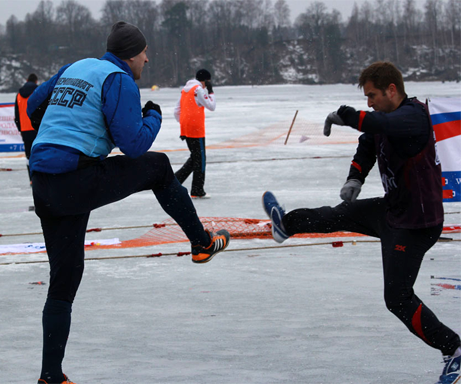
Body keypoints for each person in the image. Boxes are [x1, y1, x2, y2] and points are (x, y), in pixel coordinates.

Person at [27, 21, 230, 384]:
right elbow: (134, 145)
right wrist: (151, 115)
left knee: (65, 279)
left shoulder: (73, 67)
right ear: (132, 55)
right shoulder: (118, 79)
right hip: (76, 178)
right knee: (158, 165)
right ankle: (201, 243)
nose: (147, 60)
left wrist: (60, 134)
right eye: (144, 53)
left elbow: (34, 106)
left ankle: (50, 376)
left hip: (44, 183)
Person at [262, 62, 460, 383]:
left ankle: (453, 349)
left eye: (372, 95)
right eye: (365, 97)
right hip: (393, 209)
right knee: (337, 213)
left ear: (391, 91)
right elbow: (368, 142)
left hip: (415, 224)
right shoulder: (385, 121)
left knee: (397, 299)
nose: (369, 102)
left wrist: (347, 115)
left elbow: (375, 121)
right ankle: (287, 224)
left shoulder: (413, 117)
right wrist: (355, 176)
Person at [174, 69, 216, 199]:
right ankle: (197, 189)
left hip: (186, 128)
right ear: (205, 81)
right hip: (196, 129)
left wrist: (184, 122)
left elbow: (177, 110)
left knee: (195, 158)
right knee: (200, 159)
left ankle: (175, 181)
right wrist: (211, 92)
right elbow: (211, 106)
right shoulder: (198, 90)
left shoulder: (185, 90)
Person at [14, 73, 38, 184]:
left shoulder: (19, 95)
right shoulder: (38, 92)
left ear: (27, 80)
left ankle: (31, 179)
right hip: (36, 128)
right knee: (39, 152)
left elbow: (17, 115)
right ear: (36, 81)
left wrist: (20, 129)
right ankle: (40, 178)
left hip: (25, 129)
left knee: (29, 155)